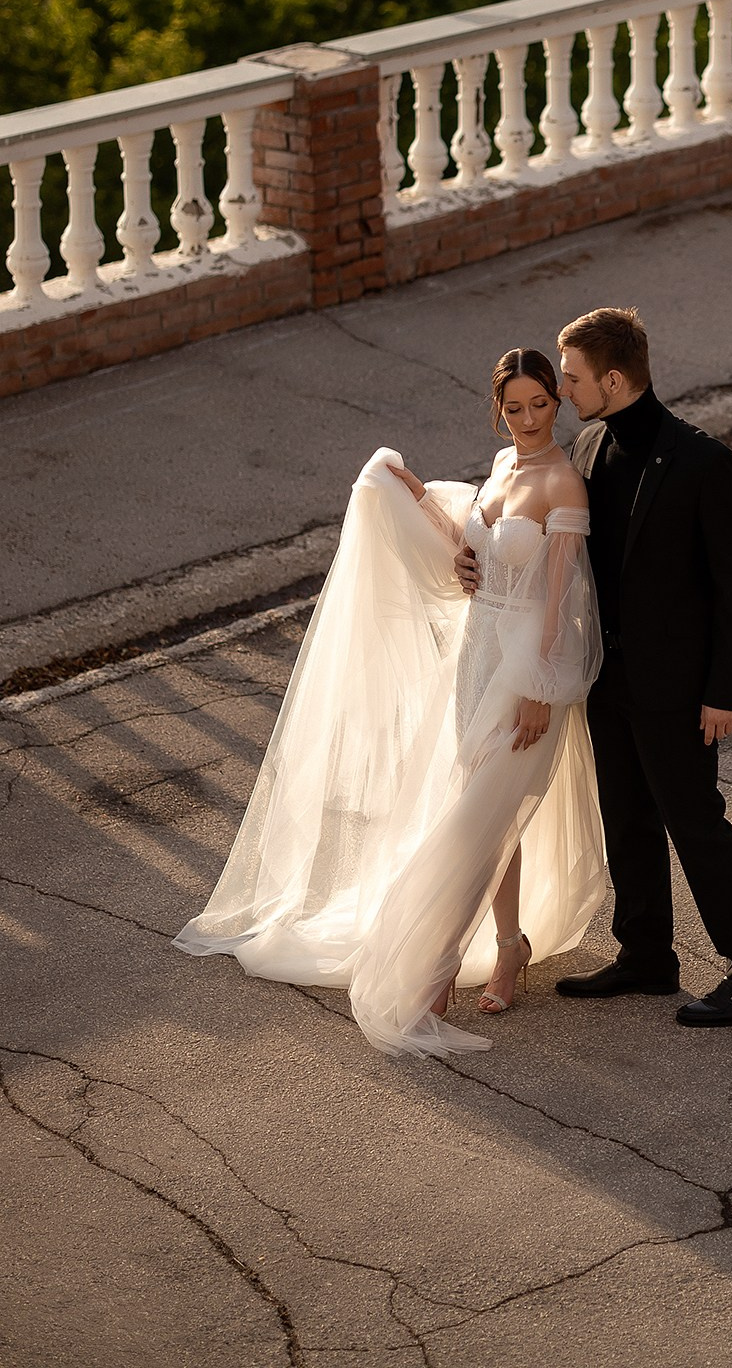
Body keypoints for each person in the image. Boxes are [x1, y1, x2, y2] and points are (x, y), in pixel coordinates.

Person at [174, 349, 606, 1057]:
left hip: (527, 665)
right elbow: (475, 550)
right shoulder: (502, 470)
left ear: (556, 402)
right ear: (498, 409)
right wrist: (420, 505)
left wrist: (541, 687)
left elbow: (561, 602)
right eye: (513, 407)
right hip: (477, 652)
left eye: (538, 405)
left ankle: (436, 969)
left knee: (481, 819)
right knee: (485, 810)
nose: (527, 420)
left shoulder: (564, 484)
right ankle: (509, 945)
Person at [458, 307, 732, 1026]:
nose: (565, 390)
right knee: (626, 818)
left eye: (573, 378)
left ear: (612, 378)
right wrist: (473, 557)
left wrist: (723, 691)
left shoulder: (702, 462)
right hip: (604, 677)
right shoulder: (587, 449)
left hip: (676, 686)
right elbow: (556, 553)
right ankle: (646, 955)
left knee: (694, 822)